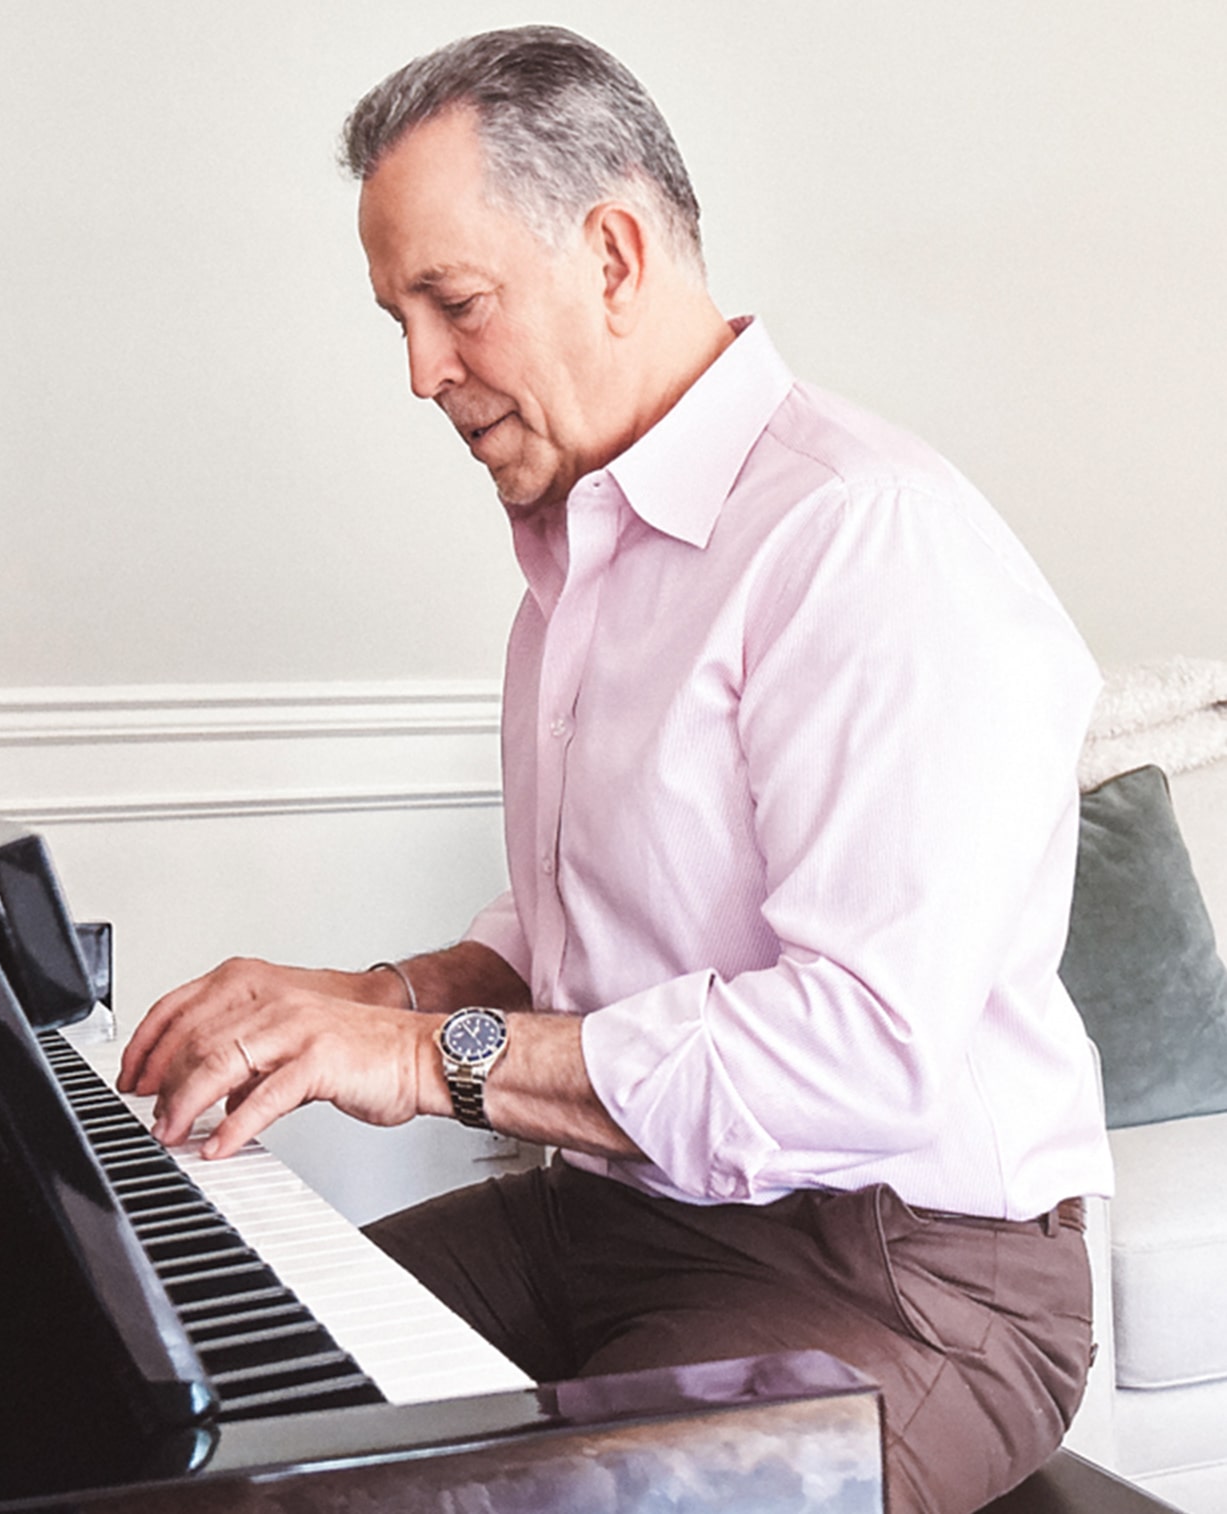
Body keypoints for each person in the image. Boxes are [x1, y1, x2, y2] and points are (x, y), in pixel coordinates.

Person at [114, 26, 1109, 1513]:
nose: (419, 372)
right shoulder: (575, 565)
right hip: (622, 1215)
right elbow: (578, 940)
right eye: (398, 317)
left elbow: (858, 1053)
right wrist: (367, 998)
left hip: (905, 1274)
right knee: (226, 1423)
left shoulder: (865, 538)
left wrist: (420, 1063)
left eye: (452, 305)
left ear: (616, 255)